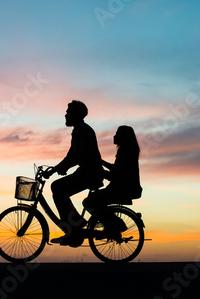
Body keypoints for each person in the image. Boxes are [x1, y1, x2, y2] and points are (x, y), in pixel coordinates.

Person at [43, 100, 104, 246]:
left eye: (68, 112)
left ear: (75, 114)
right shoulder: (79, 130)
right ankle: (74, 225)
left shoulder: (82, 130)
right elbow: (71, 156)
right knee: (58, 188)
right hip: (87, 172)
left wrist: (60, 168)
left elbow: (79, 156)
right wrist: (55, 169)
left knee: (58, 188)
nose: (65, 115)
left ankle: (74, 226)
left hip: (90, 173)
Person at [84, 125, 142, 232]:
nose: (114, 136)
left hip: (123, 190)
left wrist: (101, 168)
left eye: (117, 134)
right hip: (125, 188)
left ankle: (113, 223)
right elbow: (116, 170)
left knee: (89, 202)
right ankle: (111, 222)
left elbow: (117, 174)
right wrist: (100, 163)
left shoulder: (126, 152)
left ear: (123, 137)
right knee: (95, 200)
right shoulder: (128, 151)